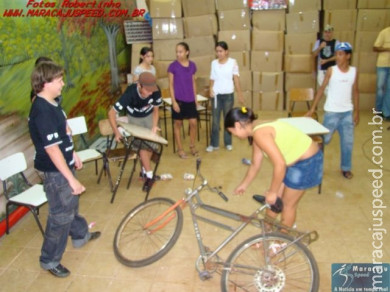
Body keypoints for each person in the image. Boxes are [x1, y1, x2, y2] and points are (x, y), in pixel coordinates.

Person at [28, 62, 101, 278]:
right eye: (59, 80)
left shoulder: (52, 103)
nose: (63, 83)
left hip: (64, 163)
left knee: (70, 204)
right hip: (55, 171)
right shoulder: (42, 111)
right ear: (46, 83)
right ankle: (49, 259)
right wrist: (71, 179)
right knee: (60, 215)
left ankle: (79, 235)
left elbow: (63, 135)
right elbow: (51, 150)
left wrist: (73, 154)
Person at [225, 107, 323, 228]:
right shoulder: (256, 128)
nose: (233, 135)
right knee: (273, 202)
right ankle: (265, 236)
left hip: (307, 163)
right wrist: (244, 185)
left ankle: (281, 242)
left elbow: (280, 164)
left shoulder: (260, 133)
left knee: (287, 205)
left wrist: (273, 192)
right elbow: (255, 163)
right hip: (292, 162)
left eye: (232, 132)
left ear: (238, 125)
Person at [307, 42, 359, 179]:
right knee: (323, 141)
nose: (338, 57)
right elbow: (322, 89)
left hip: (347, 113)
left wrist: (357, 112)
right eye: (336, 54)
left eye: (341, 54)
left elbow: (356, 92)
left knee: (348, 142)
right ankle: (314, 166)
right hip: (331, 113)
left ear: (348, 56)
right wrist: (312, 109)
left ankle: (346, 168)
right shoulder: (331, 71)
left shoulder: (354, 72)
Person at [108, 71, 162, 191]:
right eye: (147, 90)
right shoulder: (130, 93)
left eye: (151, 91)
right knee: (142, 146)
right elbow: (111, 113)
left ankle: (144, 171)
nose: (150, 93)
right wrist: (116, 132)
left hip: (148, 116)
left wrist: (154, 126)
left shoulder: (155, 90)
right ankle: (149, 176)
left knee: (152, 146)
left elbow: (156, 110)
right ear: (139, 85)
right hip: (135, 118)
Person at [207, 41, 244, 152]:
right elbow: (212, 78)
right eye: (217, 51)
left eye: (221, 51)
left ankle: (228, 142)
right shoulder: (214, 63)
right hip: (216, 96)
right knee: (215, 121)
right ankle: (214, 144)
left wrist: (240, 95)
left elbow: (236, 80)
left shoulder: (233, 62)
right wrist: (210, 89)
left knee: (227, 119)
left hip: (228, 95)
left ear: (226, 52)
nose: (219, 53)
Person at [168, 42, 198, 158]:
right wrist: (173, 101)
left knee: (193, 123)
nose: (178, 54)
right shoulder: (173, 66)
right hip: (178, 99)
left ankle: (192, 145)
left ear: (187, 52)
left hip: (190, 99)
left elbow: (193, 82)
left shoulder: (192, 66)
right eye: (177, 52)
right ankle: (180, 148)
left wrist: (195, 98)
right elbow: (170, 84)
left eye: (180, 52)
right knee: (178, 123)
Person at [312, 24, 340, 94]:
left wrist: (327, 60)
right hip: (322, 70)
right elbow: (313, 55)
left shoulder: (336, 43)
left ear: (332, 33)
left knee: (332, 90)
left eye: (329, 32)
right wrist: (320, 47)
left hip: (333, 70)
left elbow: (339, 56)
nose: (327, 34)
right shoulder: (319, 42)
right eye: (326, 32)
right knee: (325, 90)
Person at [373, 26, 390, 119]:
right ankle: (378, 110)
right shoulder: (384, 32)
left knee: (389, 89)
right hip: (382, 64)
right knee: (380, 88)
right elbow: (375, 47)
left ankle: (386, 112)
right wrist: (387, 49)